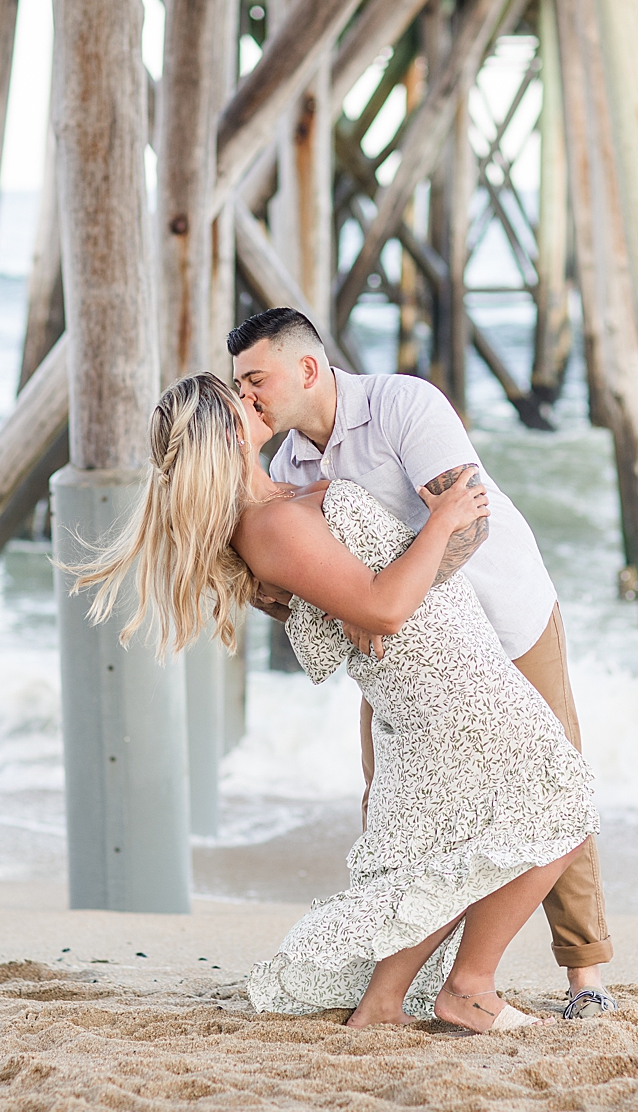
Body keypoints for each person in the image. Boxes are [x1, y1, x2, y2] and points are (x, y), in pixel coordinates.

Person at [72, 372, 596, 1032]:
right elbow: (382, 605)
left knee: (459, 842)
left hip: (449, 670)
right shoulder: (264, 526)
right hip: (442, 684)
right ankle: (469, 985)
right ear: (230, 431)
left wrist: (361, 593)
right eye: (241, 398)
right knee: (564, 803)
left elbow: (358, 590)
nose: (253, 397)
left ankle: (383, 1004)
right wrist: (443, 521)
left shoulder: (281, 492)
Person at [229, 307, 618, 1020]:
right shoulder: (287, 468)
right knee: (395, 807)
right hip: (410, 654)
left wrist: (381, 599)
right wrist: (359, 601)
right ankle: (402, 983)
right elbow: (309, 590)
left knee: (552, 777)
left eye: (256, 381)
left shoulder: (403, 405)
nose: (247, 398)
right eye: (240, 388)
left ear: (307, 370)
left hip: (503, 613)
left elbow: (467, 518)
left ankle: (584, 973)